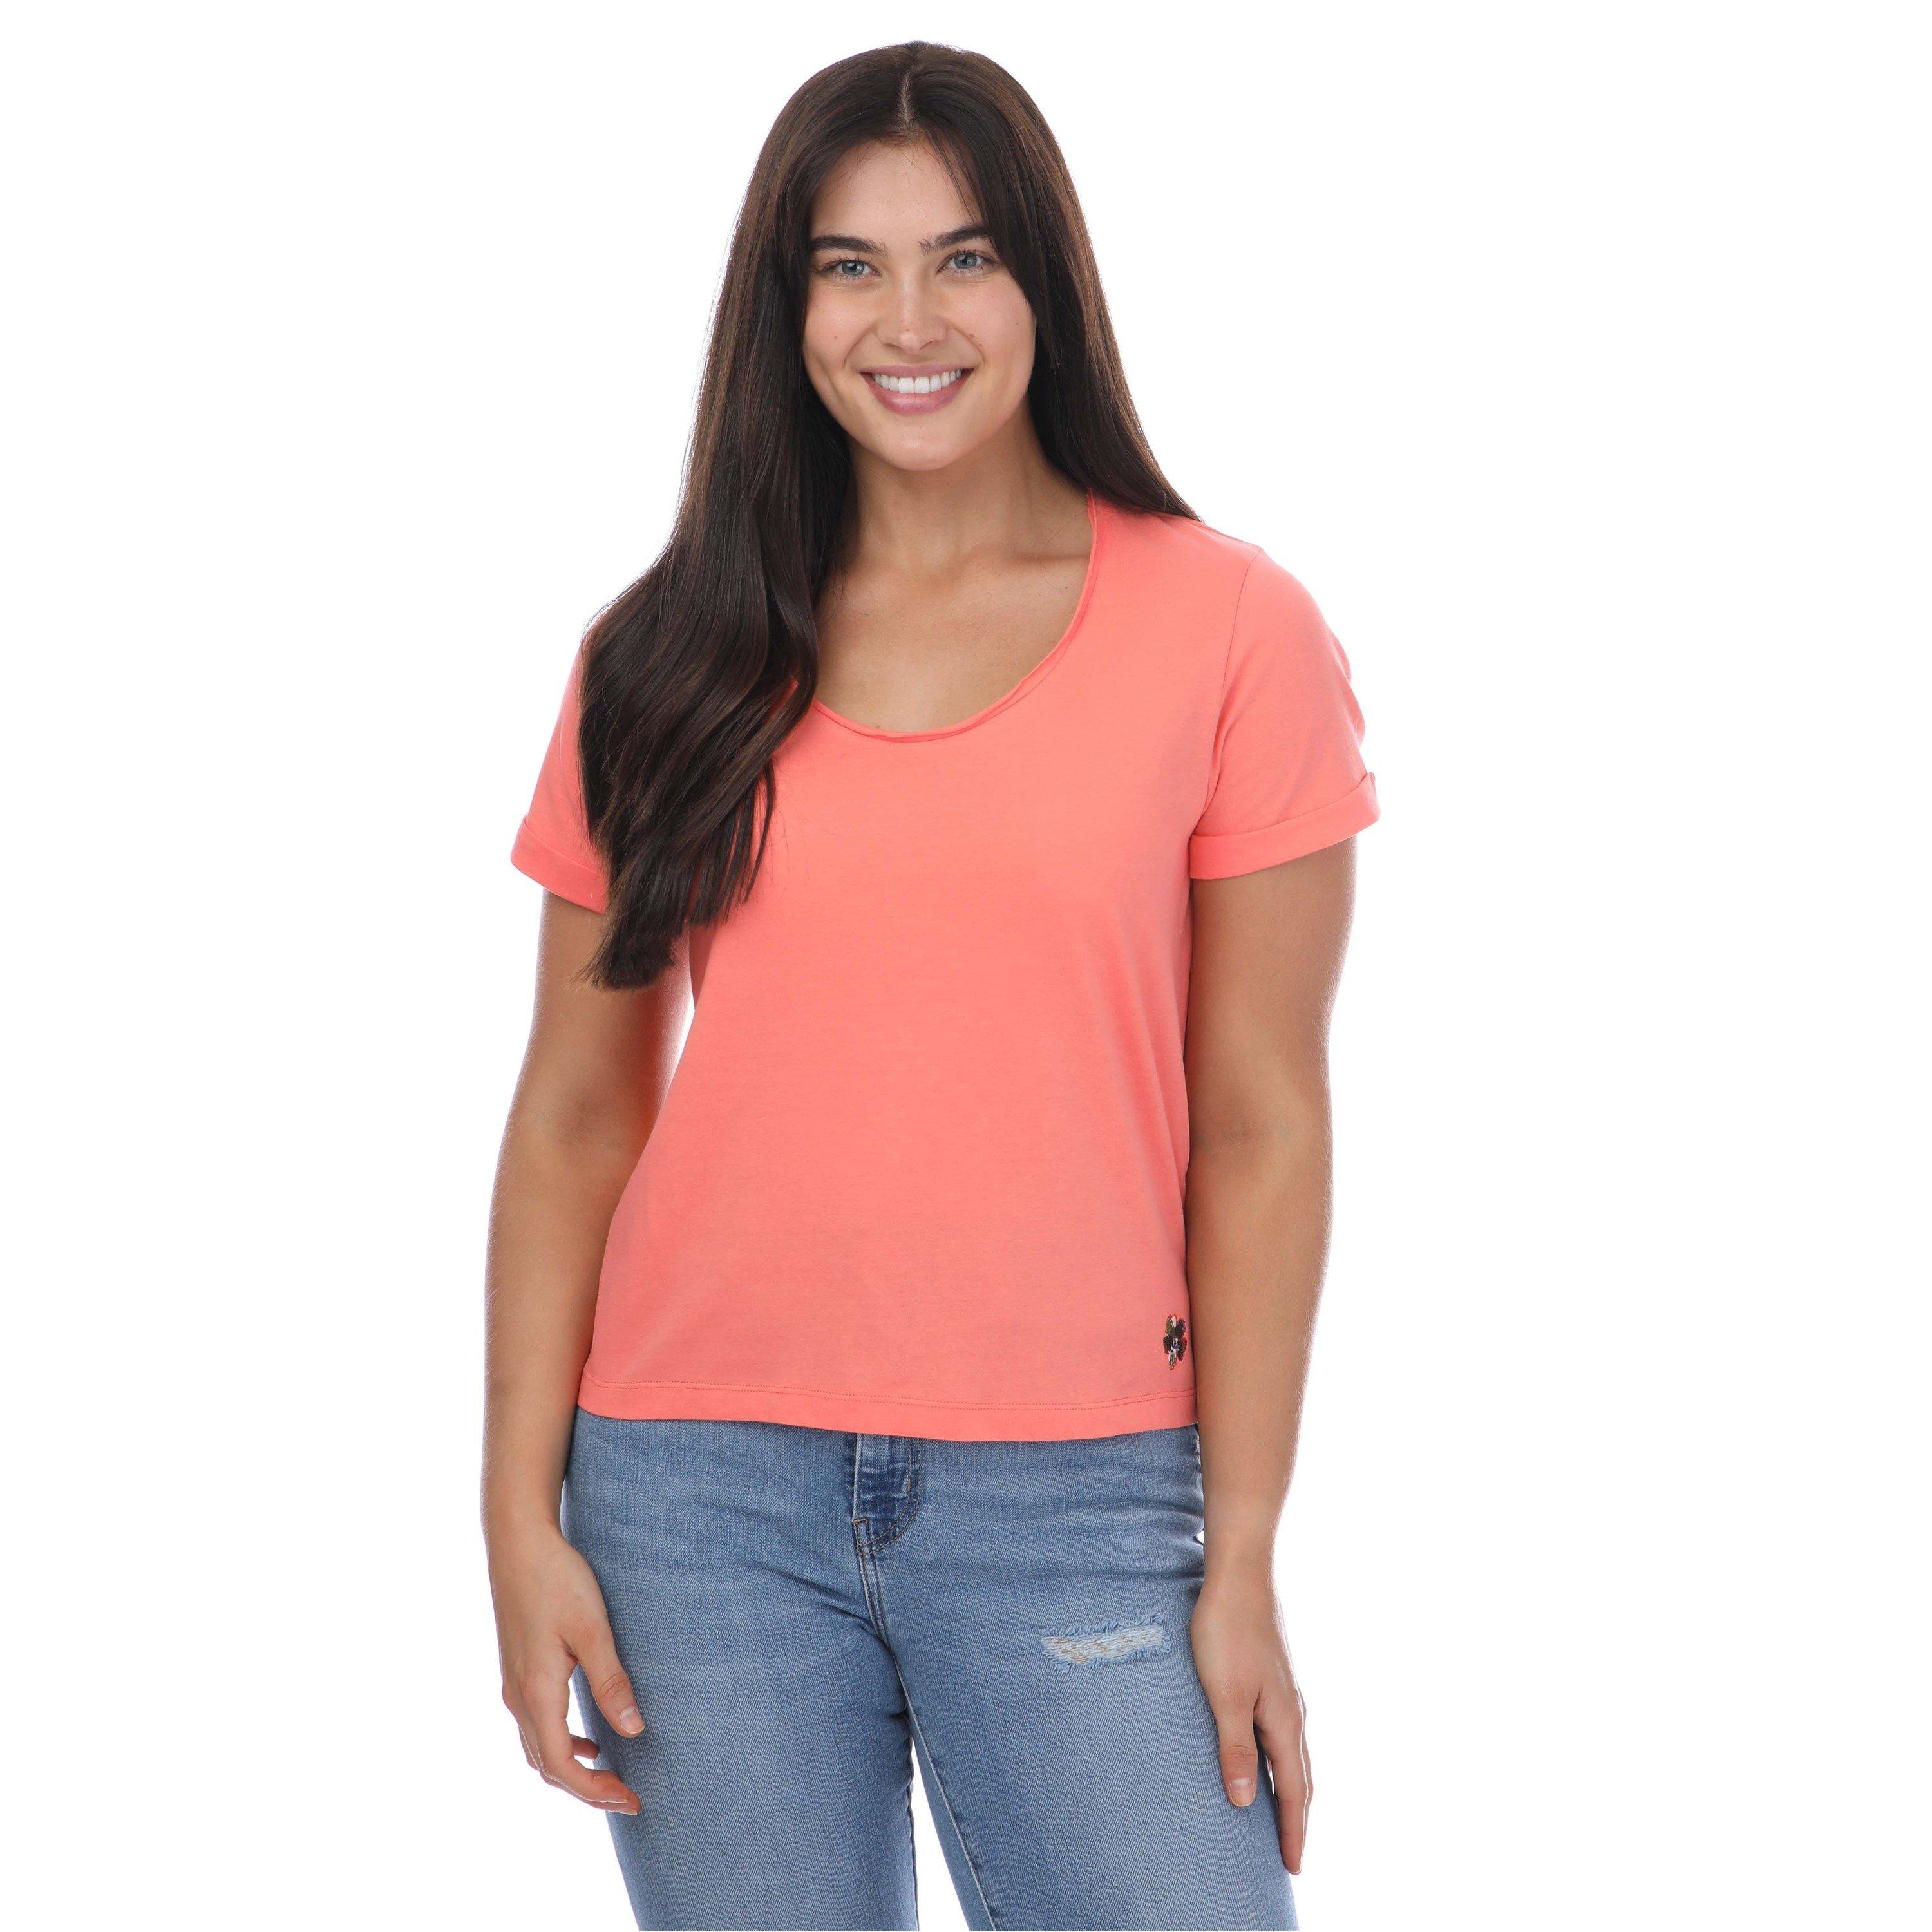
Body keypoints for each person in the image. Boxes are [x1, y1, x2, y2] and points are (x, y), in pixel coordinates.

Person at [485, 39, 1379, 1932]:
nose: (910, 321)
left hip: (1083, 1493)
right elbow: (574, 1110)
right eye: (851, 265)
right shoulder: (667, 655)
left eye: (965, 258)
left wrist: (1241, 1554)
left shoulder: (1231, 630)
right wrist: (515, 1509)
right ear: (785, 304)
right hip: (691, 1501)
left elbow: (1262, 1121)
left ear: (1046, 283)